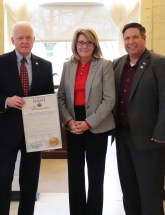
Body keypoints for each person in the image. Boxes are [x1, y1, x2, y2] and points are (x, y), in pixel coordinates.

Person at [0, 21, 54, 215]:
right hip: (7, 133)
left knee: (30, 182)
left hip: (35, 135)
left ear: (34, 40)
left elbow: (49, 102)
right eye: (20, 38)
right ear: (12, 40)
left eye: (28, 37)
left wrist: (48, 134)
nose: (24, 41)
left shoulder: (45, 66)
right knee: (3, 180)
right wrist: (6, 101)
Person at [112, 22, 165, 215]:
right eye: (126, 38)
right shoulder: (117, 64)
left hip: (151, 139)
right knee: (128, 188)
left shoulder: (160, 63)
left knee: (150, 191)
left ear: (144, 38)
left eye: (135, 37)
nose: (130, 42)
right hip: (123, 136)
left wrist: (161, 134)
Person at [57, 28, 115, 215]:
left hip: (97, 124)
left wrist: (88, 123)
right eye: (81, 42)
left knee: (96, 174)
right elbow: (61, 98)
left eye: (89, 42)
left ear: (95, 45)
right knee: (75, 173)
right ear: (75, 45)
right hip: (73, 123)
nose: (84, 46)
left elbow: (109, 99)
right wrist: (69, 121)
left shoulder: (105, 65)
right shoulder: (68, 66)